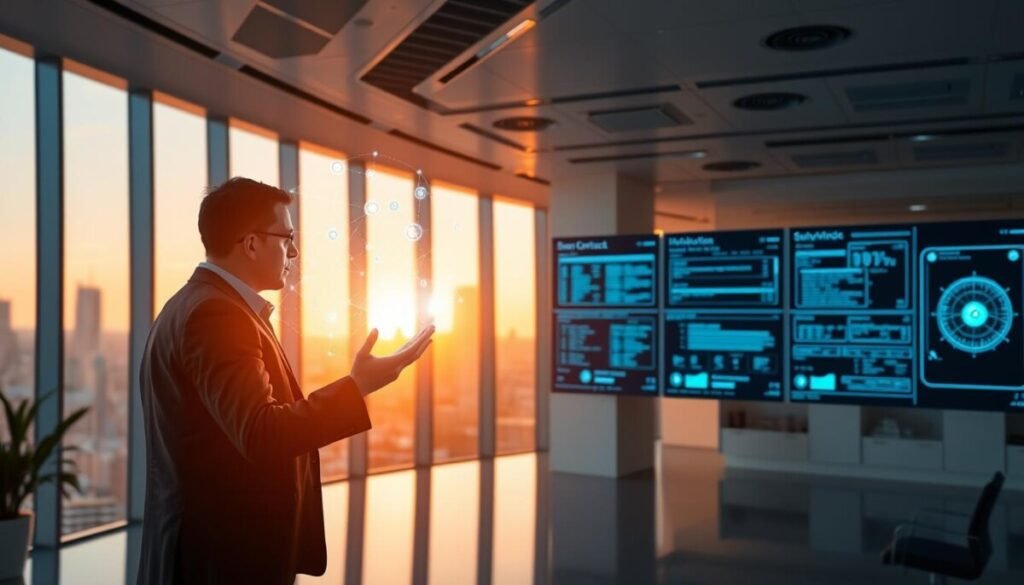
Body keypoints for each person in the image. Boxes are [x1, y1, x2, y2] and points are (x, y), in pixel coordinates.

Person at [136, 177, 434, 585]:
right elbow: (262, 433)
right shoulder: (217, 317)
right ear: (252, 243)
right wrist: (356, 386)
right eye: (286, 237)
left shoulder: (194, 304)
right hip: (221, 562)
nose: (293, 251)